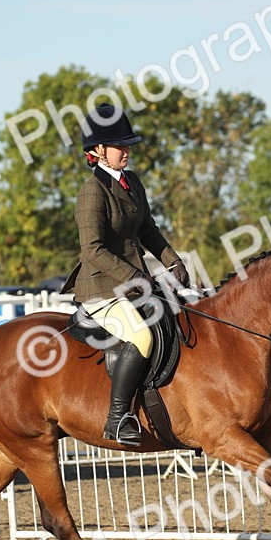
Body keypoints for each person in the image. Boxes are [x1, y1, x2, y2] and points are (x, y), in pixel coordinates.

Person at [60, 103, 190, 446]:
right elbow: (93, 249)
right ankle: (117, 419)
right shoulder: (92, 192)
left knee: (179, 316)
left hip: (131, 285)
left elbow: (148, 231)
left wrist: (173, 260)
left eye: (127, 144)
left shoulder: (132, 182)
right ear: (98, 150)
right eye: (120, 145)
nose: (126, 150)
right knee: (142, 337)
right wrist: (136, 276)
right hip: (101, 289)